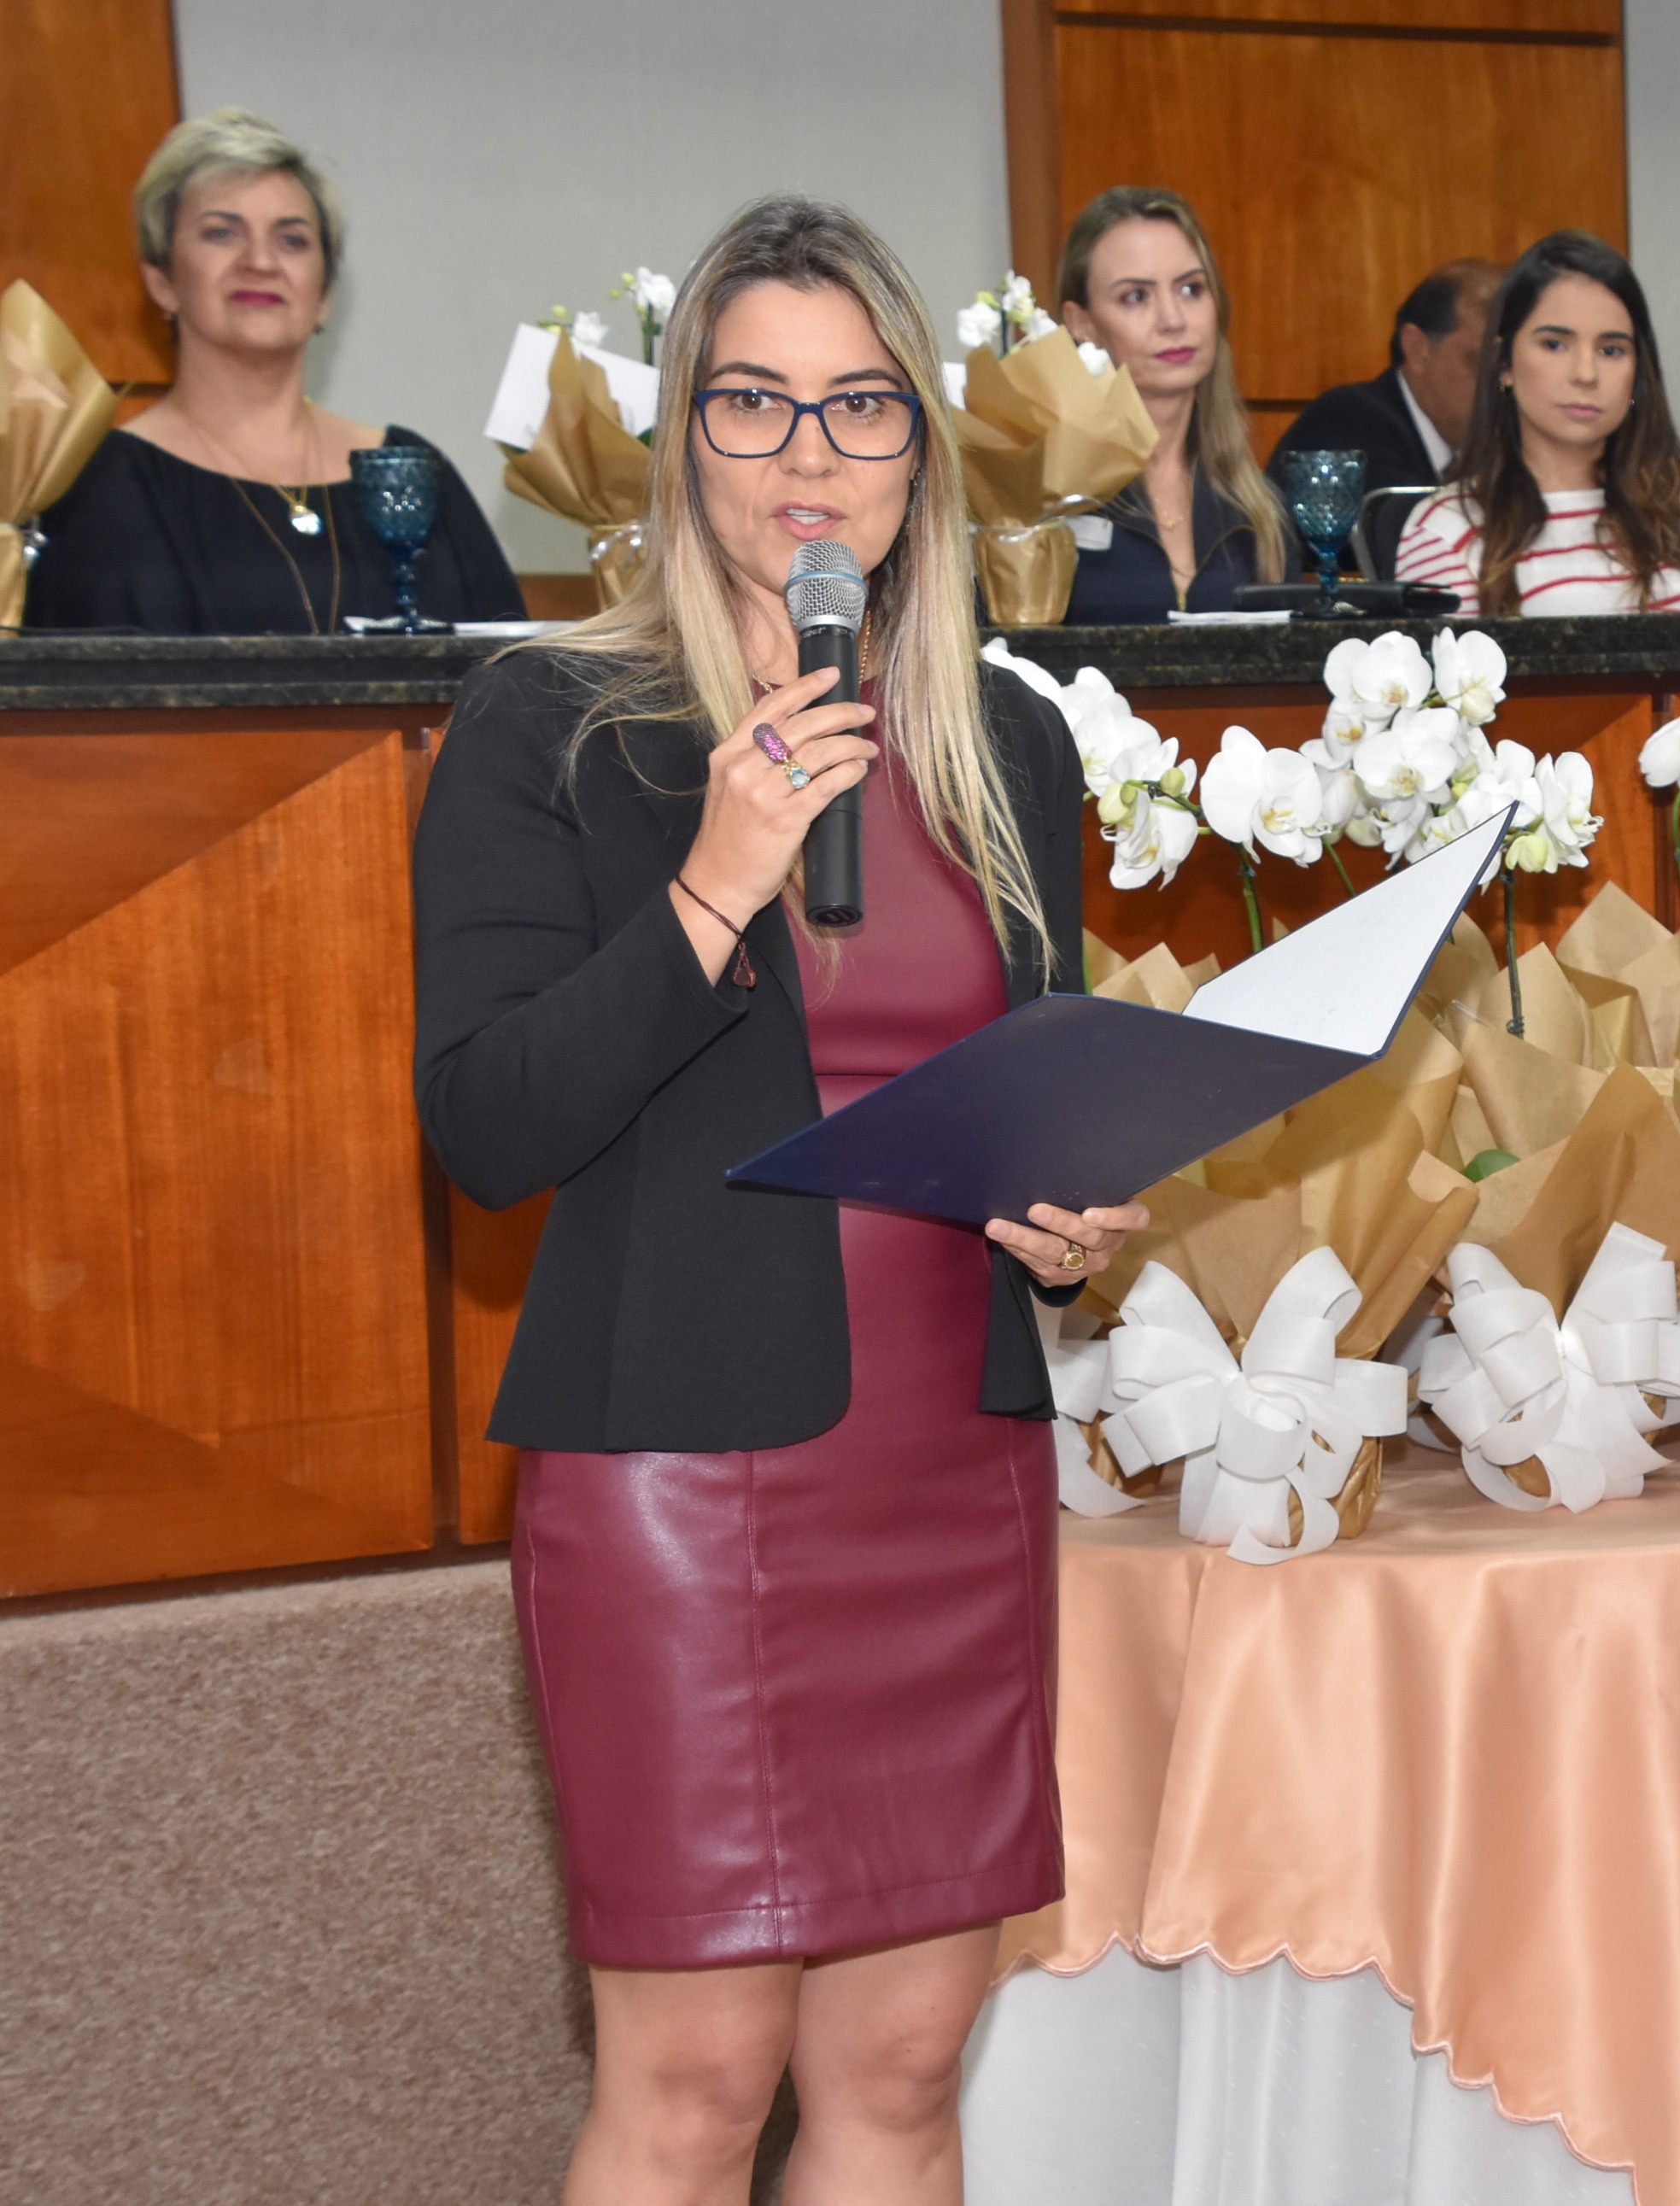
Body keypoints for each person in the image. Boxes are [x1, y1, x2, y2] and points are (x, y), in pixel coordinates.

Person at [413, 196, 1147, 2205]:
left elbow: (1020, 1081)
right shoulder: (549, 726)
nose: (808, 454)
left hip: (947, 1472)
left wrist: (1062, 1209)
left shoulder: (1004, 741)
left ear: (922, 452)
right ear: (685, 439)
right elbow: (487, 1124)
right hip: (681, 1475)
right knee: (699, 2081)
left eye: (858, 405)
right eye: (754, 402)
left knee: (901, 2070)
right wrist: (716, 882)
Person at [26, 108, 520, 634]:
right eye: (222, 233)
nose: (260, 261)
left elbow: (514, 672)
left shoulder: (411, 472)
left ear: (324, 294)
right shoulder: (100, 488)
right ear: (162, 281)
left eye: (292, 240)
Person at [1393, 231, 1680, 617]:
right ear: (1505, 365)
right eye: (1554, 344)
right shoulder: (1446, 530)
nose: (1586, 374)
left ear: (1637, 373)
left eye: (1611, 350)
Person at [1050, 185, 1291, 622]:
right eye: (1136, 296)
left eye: (1191, 289)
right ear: (1082, 322)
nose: (1174, 320)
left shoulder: (1260, 509)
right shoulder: (1041, 500)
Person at [1266, 257, 1497, 580]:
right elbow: (1419, 542)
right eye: (1480, 361)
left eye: (1506, 365)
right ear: (1418, 348)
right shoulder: (1346, 420)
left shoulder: (1492, 445)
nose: (1497, 382)